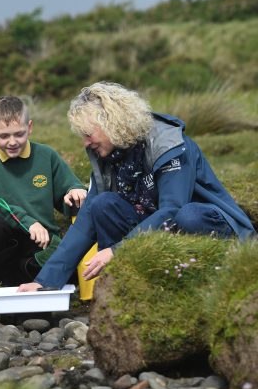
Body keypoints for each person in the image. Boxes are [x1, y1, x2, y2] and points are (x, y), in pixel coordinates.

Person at [18, 81, 256, 291]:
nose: (85, 143)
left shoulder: (168, 145)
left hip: (207, 223)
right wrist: (44, 281)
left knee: (188, 215)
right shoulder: (108, 157)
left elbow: (172, 210)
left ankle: (216, 279)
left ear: (111, 123)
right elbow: (84, 222)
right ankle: (124, 283)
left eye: (88, 134)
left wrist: (116, 250)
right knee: (102, 205)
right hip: (155, 230)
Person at [0, 96, 87, 285]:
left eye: (19, 134)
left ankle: (29, 276)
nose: (12, 142)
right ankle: (7, 279)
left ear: (30, 127)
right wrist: (28, 222)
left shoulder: (46, 155)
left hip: (41, 241)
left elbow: (69, 187)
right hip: (5, 241)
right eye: (4, 136)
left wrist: (75, 191)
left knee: (66, 268)